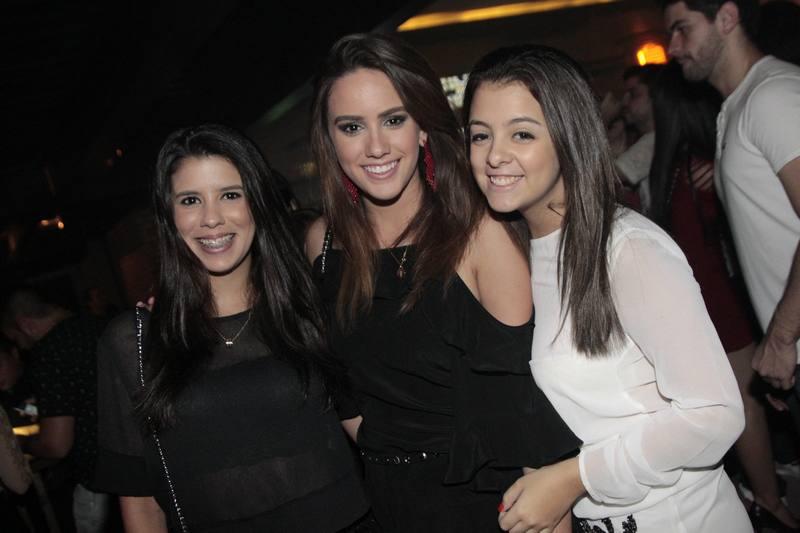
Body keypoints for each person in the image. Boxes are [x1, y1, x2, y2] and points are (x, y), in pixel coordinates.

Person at [463, 43, 749, 532]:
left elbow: (716, 413)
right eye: (480, 135)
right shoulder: (513, 253)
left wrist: (576, 477)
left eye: (522, 133)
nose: (494, 156)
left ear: (569, 136)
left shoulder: (626, 249)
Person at [306, 33, 579, 532]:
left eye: (394, 120)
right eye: (351, 127)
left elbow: (526, 417)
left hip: (487, 508)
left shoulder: (479, 237)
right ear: (329, 138)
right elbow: (342, 388)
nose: (376, 146)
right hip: (390, 506)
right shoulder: (322, 244)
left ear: (423, 128)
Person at [93, 124, 369, 532]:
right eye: (190, 200)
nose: (211, 218)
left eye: (230, 195)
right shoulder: (132, 341)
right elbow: (141, 503)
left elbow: (370, 431)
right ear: (169, 215)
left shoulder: (310, 308)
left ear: (257, 202)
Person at [648, 62, 799, 530]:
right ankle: (769, 498)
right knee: (741, 401)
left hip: (720, 302)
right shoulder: (688, 167)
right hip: (720, 301)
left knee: (742, 402)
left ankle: (769, 498)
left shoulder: (687, 167)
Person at [662, 0, 800, 411]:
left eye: (683, 29)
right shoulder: (739, 105)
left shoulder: (772, 96)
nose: (672, 47)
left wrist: (782, 338)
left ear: (726, 18)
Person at [1, 289, 109, 533]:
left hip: (99, 478)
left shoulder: (49, 353)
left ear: (25, 325)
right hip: (147, 464)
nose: (21, 347)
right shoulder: (101, 325)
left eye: (16, 339)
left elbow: (56, 445)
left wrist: (21, 445)